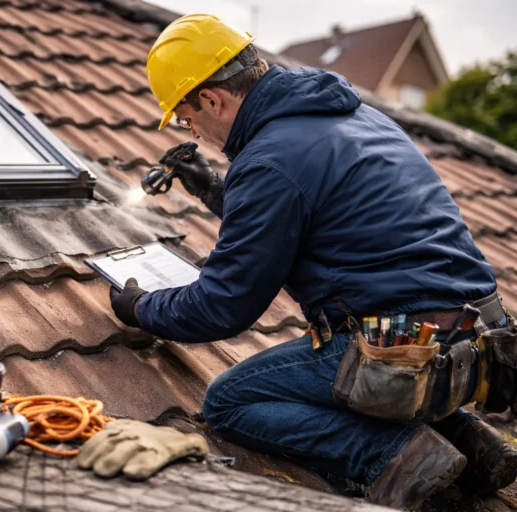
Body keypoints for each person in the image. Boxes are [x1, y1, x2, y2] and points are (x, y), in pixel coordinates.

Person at [109, 13, 517, 510]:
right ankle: (472, 442)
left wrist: (140, 307)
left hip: (406, 350)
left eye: (183, 115)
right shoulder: (355, 115)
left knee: (230, 401)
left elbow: (223, 306)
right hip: (481, 340)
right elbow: (301, 218)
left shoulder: (269, 160)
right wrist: (212, 188)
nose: (188, 127)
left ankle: (397, 455)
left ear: (212, 98)